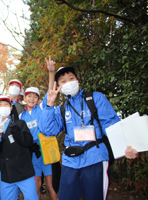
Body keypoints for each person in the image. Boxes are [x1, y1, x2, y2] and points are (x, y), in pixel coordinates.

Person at [39, 65, 121, 200]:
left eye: (71, 78)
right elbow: (48, 130)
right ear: (59, 86)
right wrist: (49, 105)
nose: (68, 82)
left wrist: (126, 146)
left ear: (78, 81)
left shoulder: (95, 98)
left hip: (95, 158)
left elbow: (112, 125)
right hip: (70, 162)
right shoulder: (61, 109)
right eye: (63, 81)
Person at [0, 95, 38, 200]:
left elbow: (28, 142)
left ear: (11, 108)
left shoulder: (20, 123)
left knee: (32, 197)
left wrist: (15, 131)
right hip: (7, 174)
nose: (3, 107)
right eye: (0, 105)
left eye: (6, 104)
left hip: (24, 171)